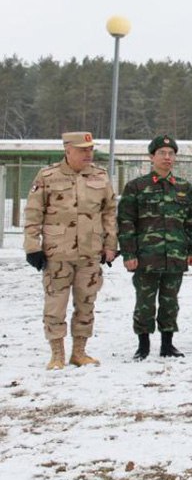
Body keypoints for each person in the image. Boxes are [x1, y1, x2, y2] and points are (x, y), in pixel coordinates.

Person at [24, 131, 118, 369]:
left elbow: (108, 213)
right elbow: (34, 213)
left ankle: (79, 351)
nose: (88, 154)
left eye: (90, 149)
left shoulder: (100, 176)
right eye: (82, 150)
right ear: (68, 150)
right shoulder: (48, 176)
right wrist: (32, 246)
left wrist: (110, 245)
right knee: (55, 305)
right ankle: (57, 354)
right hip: (57, 253)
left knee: (86, 303)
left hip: (90, 253)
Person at [119, 135, 192, 360]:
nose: (167, 158)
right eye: (162, 153)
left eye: (171, 154)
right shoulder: (137, 187)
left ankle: (167, 344)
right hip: (146, 257)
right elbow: (126, 222)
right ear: (151, 157)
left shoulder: (183, 187)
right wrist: (128, 253)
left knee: (170, 302)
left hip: (175, 255)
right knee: (144, 302)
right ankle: (143, 345)